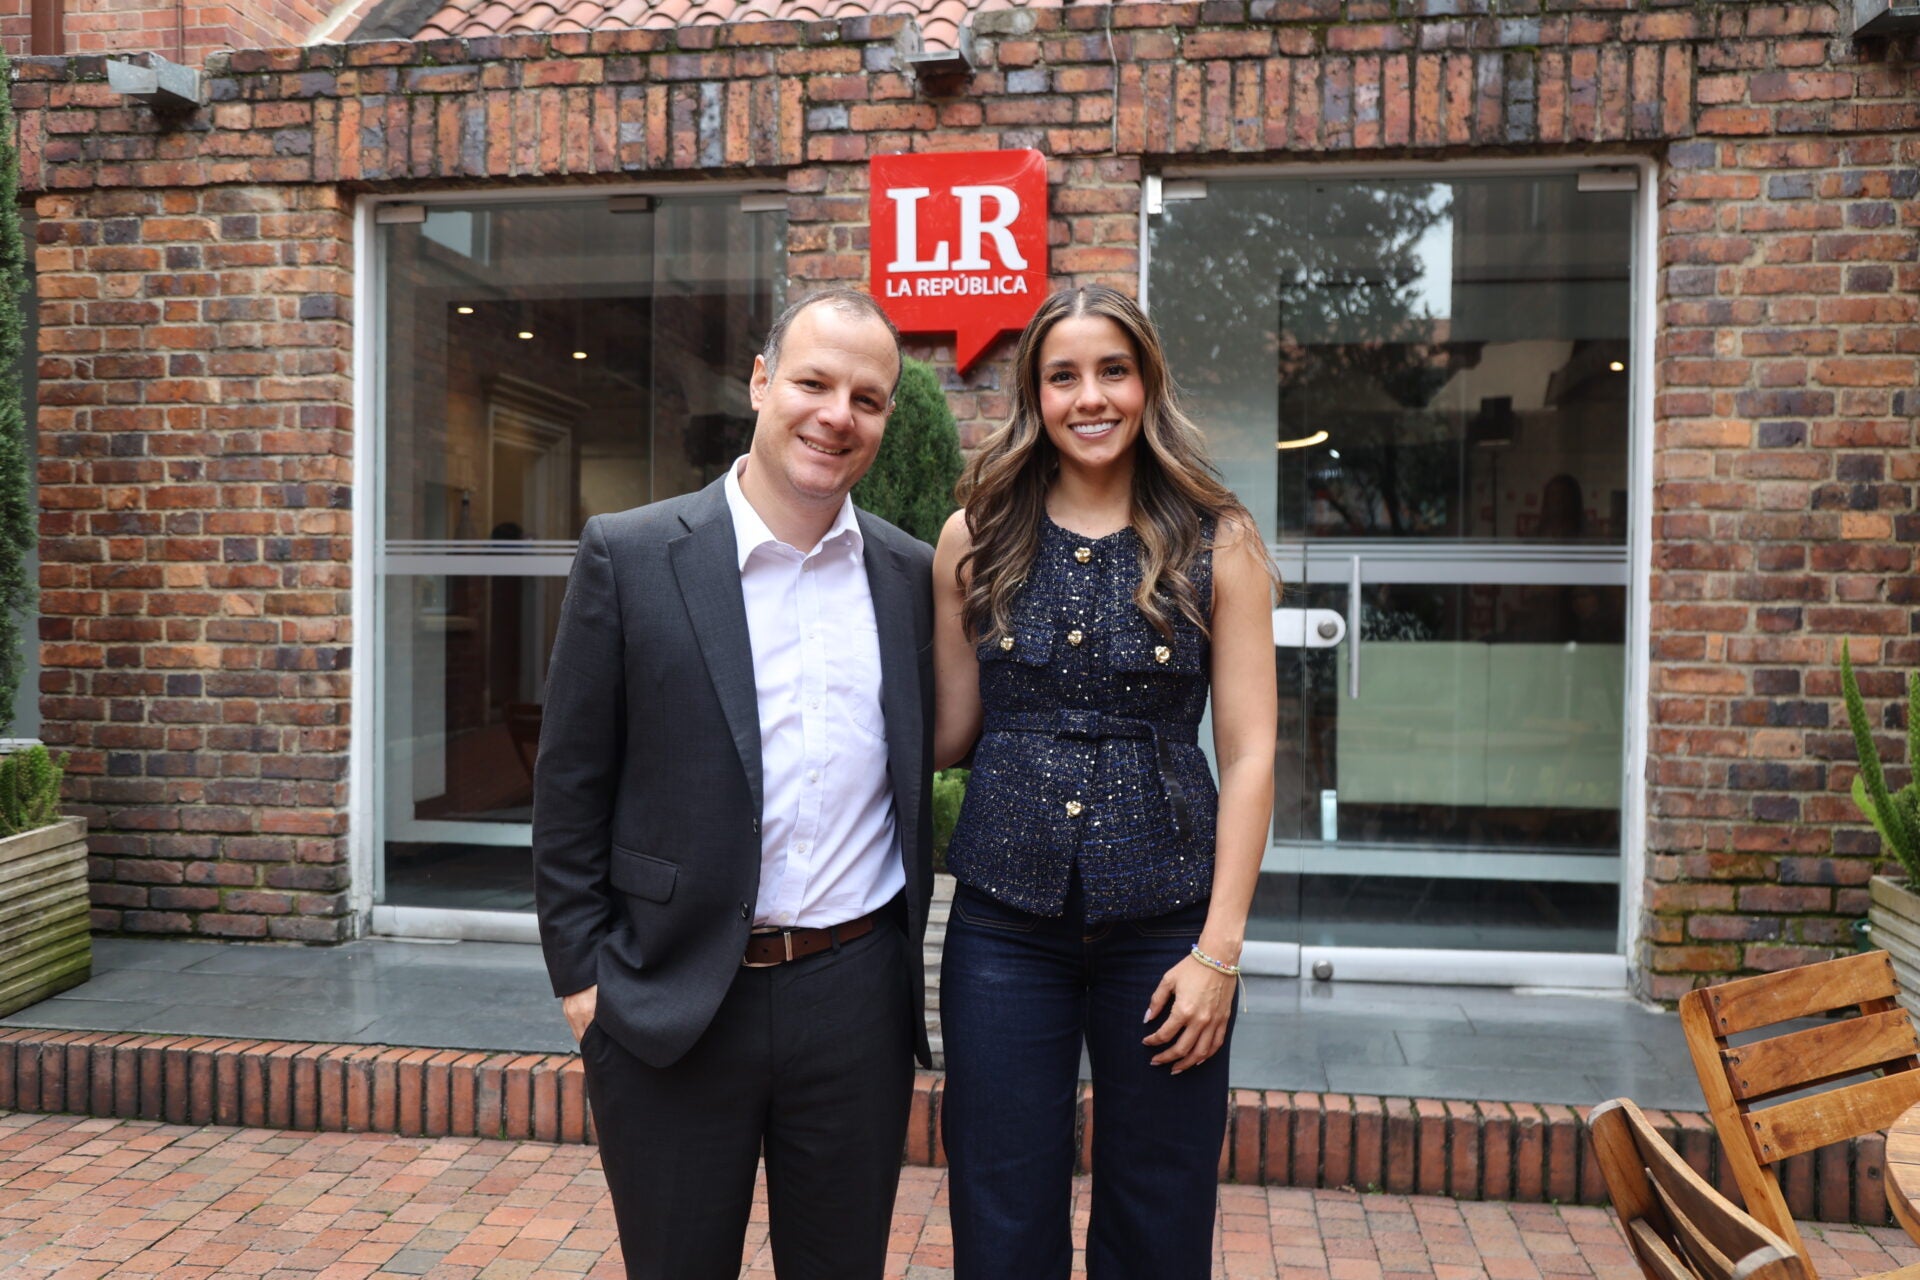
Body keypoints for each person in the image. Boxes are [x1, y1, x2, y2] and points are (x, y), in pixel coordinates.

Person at [532, 288, 935, 1280]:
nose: (836, 414)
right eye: (813, 381)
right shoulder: (630, 555)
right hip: (670, 999)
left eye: (867, 398)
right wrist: (586, 985)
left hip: (853, 1001)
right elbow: (569, 786)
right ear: (761, 382)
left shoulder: (911, 577)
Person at [930, 285, 1278, 1279]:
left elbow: (1250, 752)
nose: (1091, 395)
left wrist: (1220, 951)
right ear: (1034, 395)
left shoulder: (1222, 541)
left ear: (1146, 384)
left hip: (1168, 926)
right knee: (1000, 1216)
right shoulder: (974, 537)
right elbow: (951, 729)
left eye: (1112, 370)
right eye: (1064, 374)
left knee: (1160, 1218)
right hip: (1003, 925)